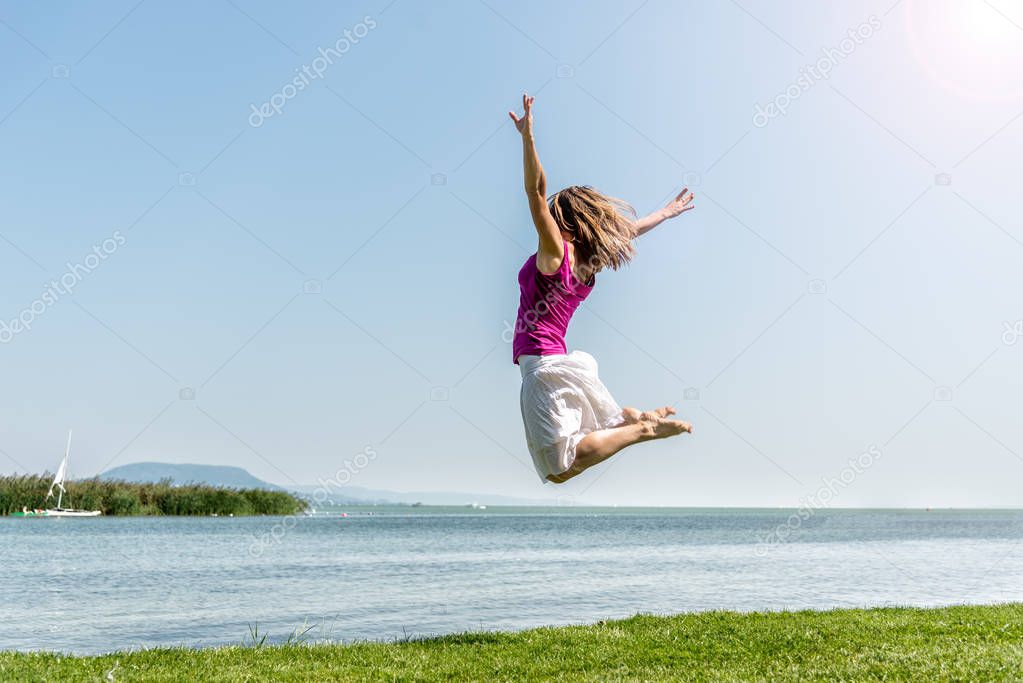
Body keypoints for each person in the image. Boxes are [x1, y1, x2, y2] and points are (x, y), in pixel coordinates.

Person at [509, 93, 695, 484]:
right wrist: (667, 212)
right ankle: (635, 419)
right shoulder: (588, 265)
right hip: (558, 363)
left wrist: (528, 138)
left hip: (543, 368)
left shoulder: (555, 253)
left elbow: (535, 193)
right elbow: (629, 231)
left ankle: (639, 429)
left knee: (559, 468)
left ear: (565, 222)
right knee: (579, 446)